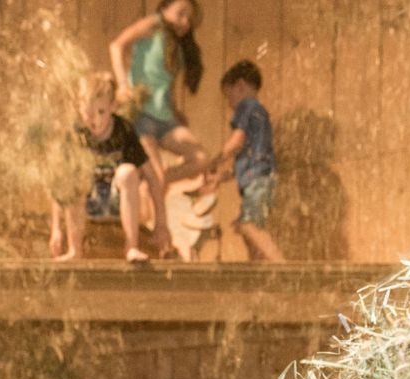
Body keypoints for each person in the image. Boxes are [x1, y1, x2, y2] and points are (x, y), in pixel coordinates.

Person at [109, 0, 212, 257]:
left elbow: (162, 85)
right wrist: (123, 85)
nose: (185, 22)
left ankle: (154, 183)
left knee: (200, 158)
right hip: (141, 114)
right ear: (165, 9)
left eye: (189, 18)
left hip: (164, 117)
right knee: (154, 173)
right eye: (181, 14)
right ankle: (161, 234)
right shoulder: (153, 25)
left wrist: (176, 111)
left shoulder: (175, 46)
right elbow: (116, 45)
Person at [49, 72, 152, 264]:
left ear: (113, 106)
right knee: (72, 178)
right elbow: (59, 186)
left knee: (128, 171)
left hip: (117, 201)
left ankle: (132, 246)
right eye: (88, 113)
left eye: (101, 112)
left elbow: (152, 178)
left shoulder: (124, 130)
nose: (94, 120)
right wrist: (56, 228)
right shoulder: (75, 135)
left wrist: (161, 225)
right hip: (87, 202)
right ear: (79, 107)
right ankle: (75, 249)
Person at [201, 60, 281, 262]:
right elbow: (249, 159)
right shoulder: (259, 115)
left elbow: (237, 140)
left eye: (229, 96)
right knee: (248, 229)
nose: (229, 104)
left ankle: (281, 267)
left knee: (249, 226)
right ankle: (259, 270)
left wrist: (215, 160)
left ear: (241, 86)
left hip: (259, 182)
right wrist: (222, 177)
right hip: (262, 180)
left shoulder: (248, 106)